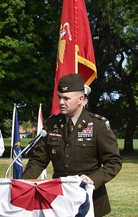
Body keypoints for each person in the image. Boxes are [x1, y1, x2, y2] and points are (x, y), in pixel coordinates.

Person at [21, 74, 123, 216]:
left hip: (90, 201)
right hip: (59, 200)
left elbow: (114, 162)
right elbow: (38, 160)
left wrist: (93, 179)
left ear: (81, 99)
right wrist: (23, 184)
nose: (61, 102)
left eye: (66, 98)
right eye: (59, 97)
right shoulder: (52, 124)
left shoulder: (98, 125)